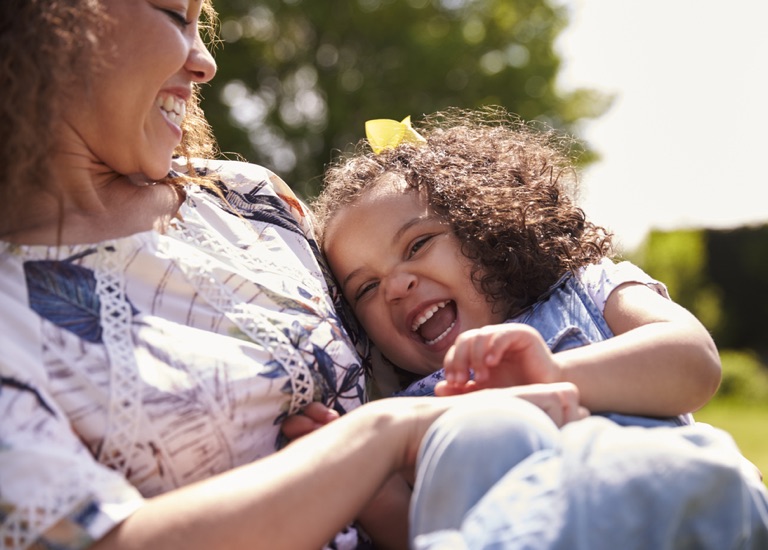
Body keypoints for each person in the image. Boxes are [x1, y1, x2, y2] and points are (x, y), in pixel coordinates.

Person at [2, 2, 766, 549]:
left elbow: (685, 362)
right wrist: (371, 451)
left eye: (204, 23)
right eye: (175, 15)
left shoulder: (247, 199)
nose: (204, 60)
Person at [314, 107, 720, 427]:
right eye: (365, 288)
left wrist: (549, 372)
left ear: (482, 226)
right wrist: (358, 472)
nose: (396, 287)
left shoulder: (588, 288)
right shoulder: (409, 412)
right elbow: (412, 528)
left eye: (417, 244)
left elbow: (694, 362)